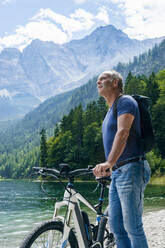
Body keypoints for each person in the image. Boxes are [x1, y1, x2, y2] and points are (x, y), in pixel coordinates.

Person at [93, 70, 151, 248]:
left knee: (132, 226)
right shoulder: (110, 111)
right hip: (119, 172)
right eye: (97, 80)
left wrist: (108, 162)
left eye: (103, 78)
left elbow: (123, 132)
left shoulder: (125, 102)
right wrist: (108, 167)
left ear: (116, 82)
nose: (98, 82)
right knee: (117, 227)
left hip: (132, 167)